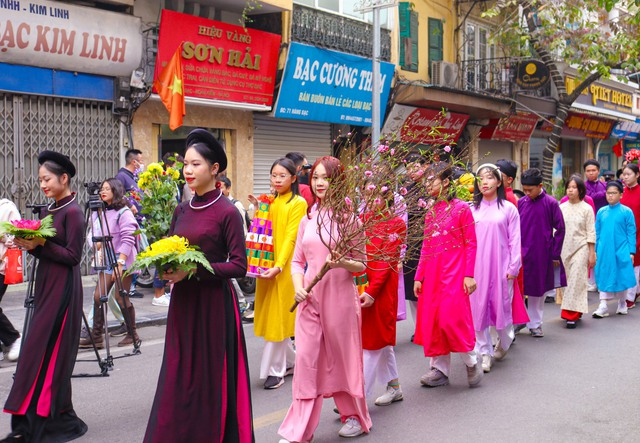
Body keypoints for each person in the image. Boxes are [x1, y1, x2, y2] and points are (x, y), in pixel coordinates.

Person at [144, 129, 253, 442]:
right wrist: (163, 263)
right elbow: (171, 248)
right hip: (184, 306)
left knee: (208, 380)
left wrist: (193, 271)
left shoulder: (228, 213)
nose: (187, 171)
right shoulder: (181, 209)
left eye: (195, 164)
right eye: (185, 165)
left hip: (213, 308)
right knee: (179, 377)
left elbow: (238, 266)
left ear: (214, 168)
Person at [278, 156, 372, 442]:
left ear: (338, 181)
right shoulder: (308, 218)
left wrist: (342, 261)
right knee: (306, 361)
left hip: (340, 299)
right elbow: (296, 261)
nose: (319, 182)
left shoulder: (350, 219)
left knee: (342, 359)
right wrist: (298, 287)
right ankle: (300, 431)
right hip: (309, 299)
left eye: (326, 178)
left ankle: (354, 416)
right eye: (316, 177)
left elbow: (362, 264)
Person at [3, 151, 87, 442]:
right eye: (40, 180)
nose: (43, 184)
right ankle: (33, 417)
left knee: (47, 351)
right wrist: (30, 244)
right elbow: (46, 251)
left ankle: (47, 419)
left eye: (47, 179)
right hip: (46, 286)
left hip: (64, 290)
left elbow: (74, 256)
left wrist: (40, 244)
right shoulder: (49, 211)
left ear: (64, 178)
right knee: (36, 350)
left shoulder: (74, 212)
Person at [414, 162, 482, 386]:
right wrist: (419, 275)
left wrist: (468, 274)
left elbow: (471, 243)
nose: (427, 184)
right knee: (435, 320)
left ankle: (471, 361)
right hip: (433, 274)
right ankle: (439, 369)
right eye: (427, 179)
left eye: (432, 179)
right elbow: (426, 245)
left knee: (453, 319)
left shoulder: (462, 208)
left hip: (455, 272)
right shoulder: (431, 210)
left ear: (445, 182)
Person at [250, 158, 307, 390]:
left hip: (285, 269)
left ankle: (275, 371)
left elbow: (292, 238)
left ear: (293, 178)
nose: (277, 180)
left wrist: (280, 266)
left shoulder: (298, 203)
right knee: (274, 316)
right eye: (274, 175)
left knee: (278, 319)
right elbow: (259, 231)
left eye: (282, 175)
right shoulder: (269, 201)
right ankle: (294, 362)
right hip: (266, 265)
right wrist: (257, 209)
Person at [470, 164, 521, 372]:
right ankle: (484, 352)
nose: (484, 182)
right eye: (481, 178)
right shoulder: (470, 209)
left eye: (489, 177)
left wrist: (513, 266)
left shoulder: (509, 209)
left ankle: (506, 339)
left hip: (501, 267)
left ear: (499, 182)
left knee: (502, 308)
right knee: (478, 310)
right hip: (476, 268)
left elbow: (515, 240)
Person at [79, 178, 140, 348]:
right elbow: (93, 236)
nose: (102, 192)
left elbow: (128, 237)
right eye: (102, 189)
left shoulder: (124, 212)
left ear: (116, 191)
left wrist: (120, 263)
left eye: (107, 189)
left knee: (121, 296)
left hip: (123, 259)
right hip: (106, 259)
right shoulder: (98, 212)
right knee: (99, 296)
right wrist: (96, 244)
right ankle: (97, 337)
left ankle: (132, 333)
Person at [360, 187, 406, 404]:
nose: (369, 199)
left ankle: (357, 398)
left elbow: (386, 263)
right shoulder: (361, 220)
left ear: (387, 195)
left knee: (373, 342)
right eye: (366, 193)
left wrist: (371, 291)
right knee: (381, 341)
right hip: (362, 287)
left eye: (374, 193)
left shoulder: (397, 224)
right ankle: (394, 386)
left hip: (381, 290)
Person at [518, 168, 566, 337]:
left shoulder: (551, 203)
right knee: (520, 287)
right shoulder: (521, 203)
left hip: (541, 253)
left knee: (537, 291)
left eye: (530, 190)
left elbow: (560, 229)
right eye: (524, 189)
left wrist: (554, 252)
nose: (526, 193)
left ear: (540, 186)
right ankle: (520, 320)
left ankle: (535, 323)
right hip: (522, 252)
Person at [592, 180, 637, 318]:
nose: (610, 196)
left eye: (614, 193)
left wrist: (631, 251)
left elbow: (631, 232)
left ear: (621, 195)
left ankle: (623, 302)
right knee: (604, 274)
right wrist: (594, 249)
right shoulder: (601, 212)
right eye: (608, 193)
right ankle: (603, 304)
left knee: (622, 275)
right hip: (604, 250)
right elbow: (597, 232)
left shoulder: (627, 212)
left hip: (621, 249)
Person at [559, 176, 596, 328]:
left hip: (581, 248)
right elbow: (556, 230)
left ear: (580, 190)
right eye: (569, 187)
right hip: (564, 249)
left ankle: (570, 314)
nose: (571, 190)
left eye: (574, 187)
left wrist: (592, 253)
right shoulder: (561, 208)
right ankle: (576, 309)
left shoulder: (587, 208)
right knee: (566, 281)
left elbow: (591, 232)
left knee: (576, 280)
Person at [402, 155, 427, 338]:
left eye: (416, 166)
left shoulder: (431, 187)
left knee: (427, 285)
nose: (412, 171)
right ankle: (419, 328)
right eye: (409, 167)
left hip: (427, 242)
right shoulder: (404, 191)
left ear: (424, 167)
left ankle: (428, 325)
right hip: (410, 244)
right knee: (412, 289)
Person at [115, 148, 145, 299]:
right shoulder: (121, 176)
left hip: (139, 220)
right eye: (141, 160)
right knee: (131, 253)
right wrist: (129, 205)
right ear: (134, 162)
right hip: (130, 222)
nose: (142, 163)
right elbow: (118, 195)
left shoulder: (133, 176)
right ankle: (130, 287)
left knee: (137, 254)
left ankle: (131, 285)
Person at [0, 198, 22, 362]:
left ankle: (14, 338)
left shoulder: (7, 208)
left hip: (2, 266)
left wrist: (3, 236)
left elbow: (19, 234)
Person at [620, 163, 640, 309]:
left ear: (637, 175)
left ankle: (630, 297)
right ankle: (633, 292)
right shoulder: (621, 192)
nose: (625, 177)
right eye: (624, 174)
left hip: (638, 233)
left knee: (635, 265)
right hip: (622, 234)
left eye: (628, 174)